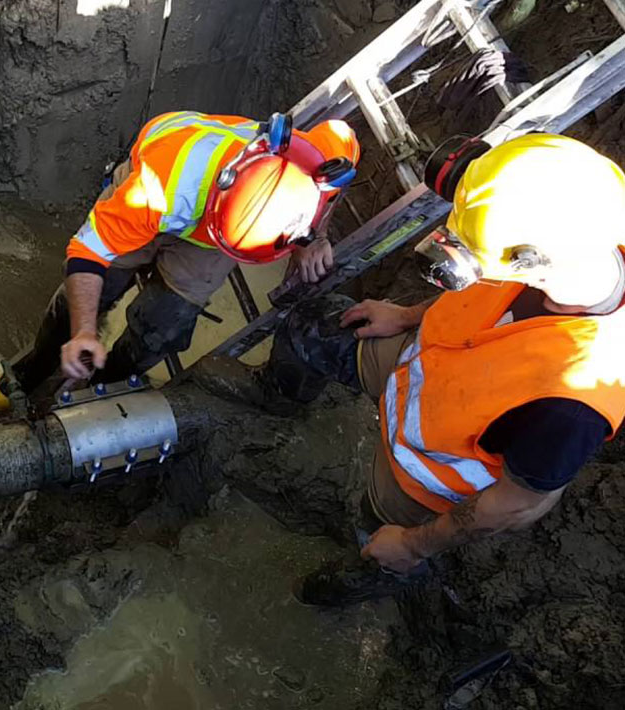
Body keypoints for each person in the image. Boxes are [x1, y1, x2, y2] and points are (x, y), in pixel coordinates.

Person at [267, 132, 625, 606]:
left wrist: (414, 543)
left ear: (534, 265)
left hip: (417, 480)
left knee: (374, 546)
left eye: (470, 255)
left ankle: (348, 587)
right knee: (311, 325)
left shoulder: (572, 402)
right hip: (414, 363)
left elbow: (516, 505)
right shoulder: (577, 219)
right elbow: (481, 297)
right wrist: (408, 314)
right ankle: (273, 403)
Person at [0, 110, 359, 409]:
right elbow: (87, 255)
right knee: (81, 302)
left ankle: (99, 387)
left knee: (161, 329)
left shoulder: (316, 166)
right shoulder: (155, 188)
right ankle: (34, 368)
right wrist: (84, 331)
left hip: (215, 235)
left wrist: (316, 237)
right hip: (169, 196)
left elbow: (343, 137)